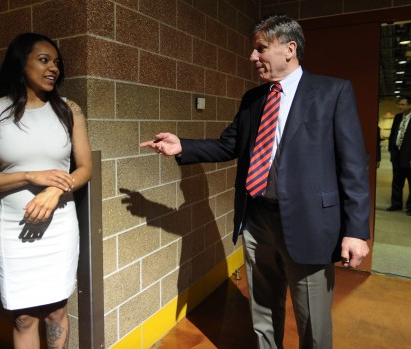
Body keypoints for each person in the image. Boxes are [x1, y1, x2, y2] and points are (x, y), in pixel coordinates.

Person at [140, 15, 370, 349]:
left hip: (309, 224)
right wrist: (183, 146)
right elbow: (228, 146)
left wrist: (356, 230)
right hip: (257, 219)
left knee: (313, 323)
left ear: (289, 49)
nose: (252, 57)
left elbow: (352, 166)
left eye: (260, 48)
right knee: (262, 310)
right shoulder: (253, 100)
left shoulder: (332, 92)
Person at [0, 33, 92, 349]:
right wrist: (30, 175)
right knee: (23, 318)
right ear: (20, 63)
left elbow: (85, 169)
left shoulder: (69, 110)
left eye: (57, 62)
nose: (54, 68)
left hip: (60, 227)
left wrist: (54, 191)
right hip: (13, 228)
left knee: (56, 312)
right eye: (44, 60)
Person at [386, 96, 411, 216]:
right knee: (397, 181)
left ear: (410, 105)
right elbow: (393, 135)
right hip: (397, 155)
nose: (400, 107)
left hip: (409, 157)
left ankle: (410, 207)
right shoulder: (397, 117)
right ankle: (396, 204)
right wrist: (391, 151)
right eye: (399, 104)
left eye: (403, 104)